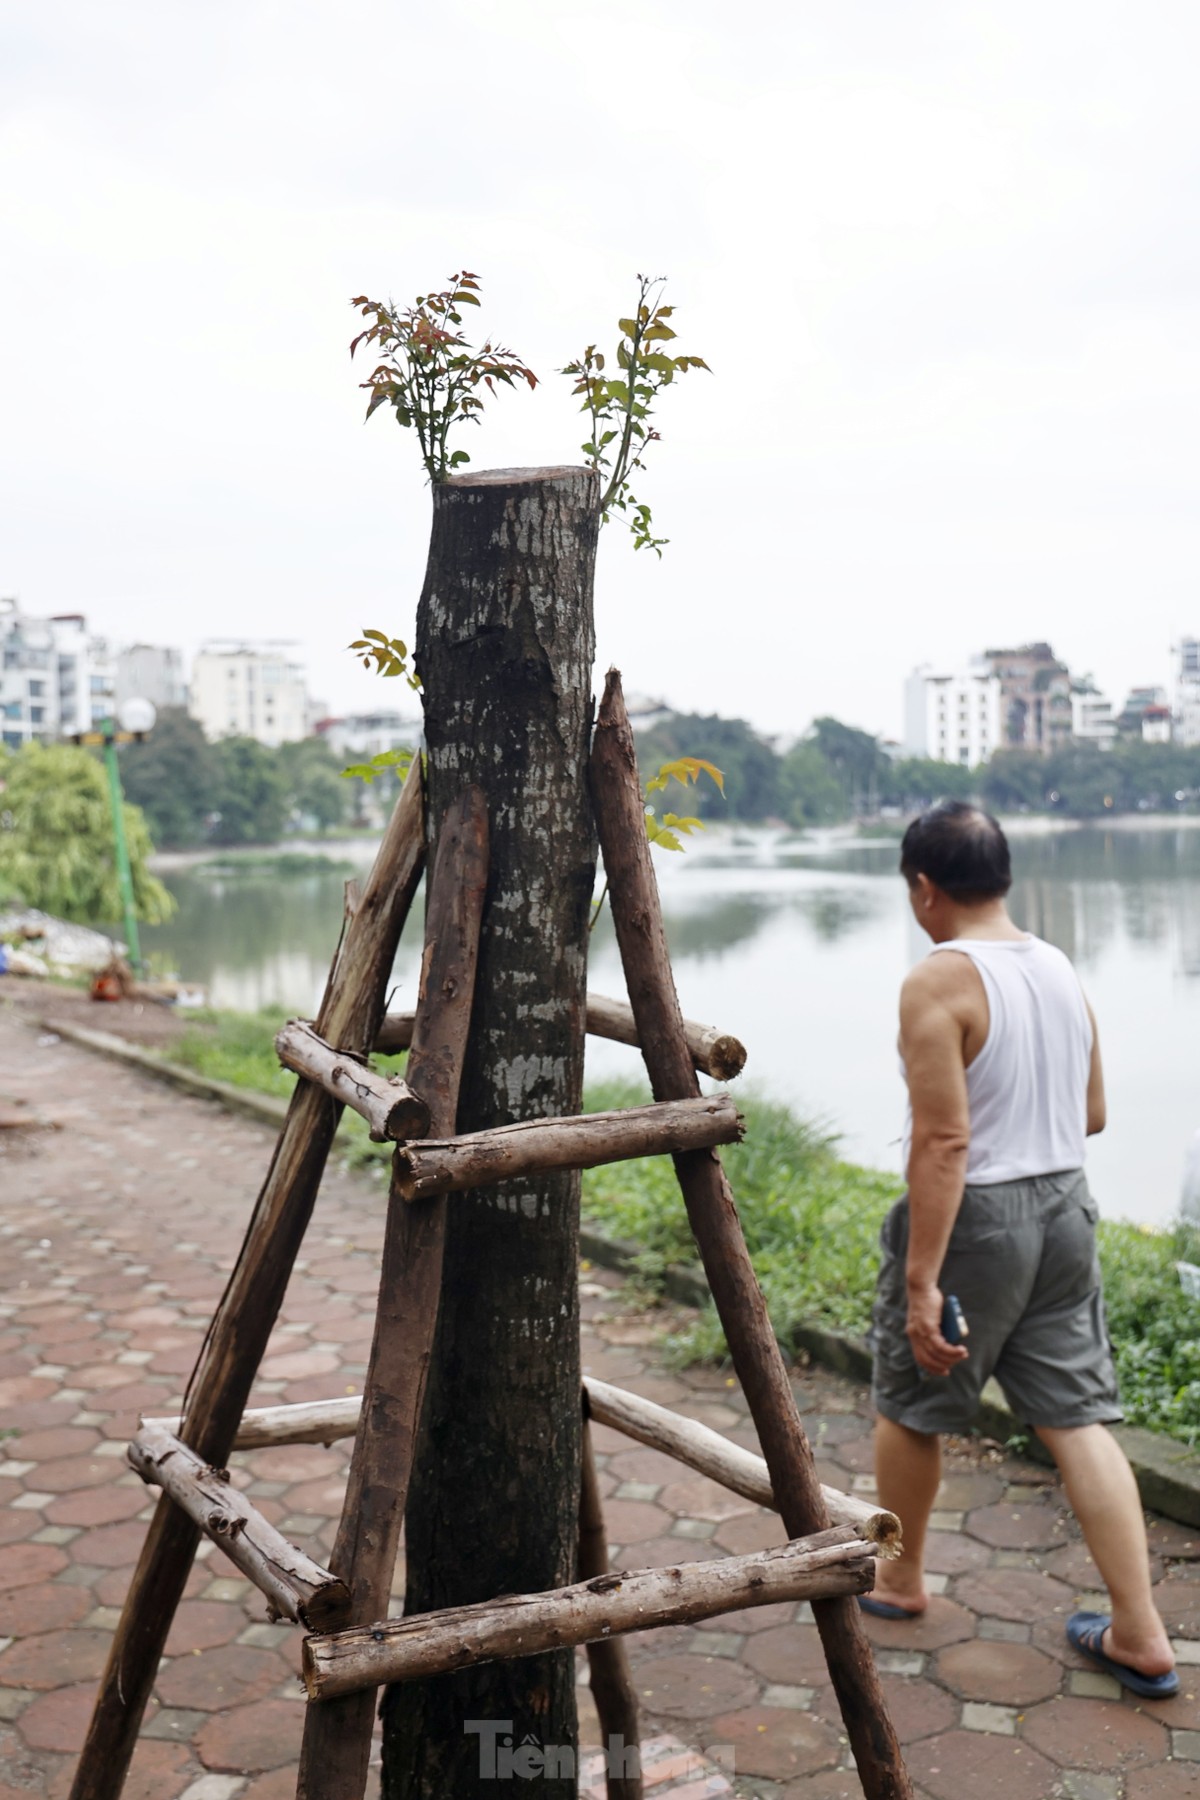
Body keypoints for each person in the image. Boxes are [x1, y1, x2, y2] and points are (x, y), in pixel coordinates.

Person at [866, 799, 1177, 1699]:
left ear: (924, 889)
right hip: (1067, 1208)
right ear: (1000, 877)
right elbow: (1093, 1113)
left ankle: (899, 1579)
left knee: (915, 1396)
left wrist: (923, 1282)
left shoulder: (938, 979)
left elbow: (944, 1143)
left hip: (982, 1218)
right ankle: (1140, 1631)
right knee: (1075, 1416)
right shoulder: (1055, 964)